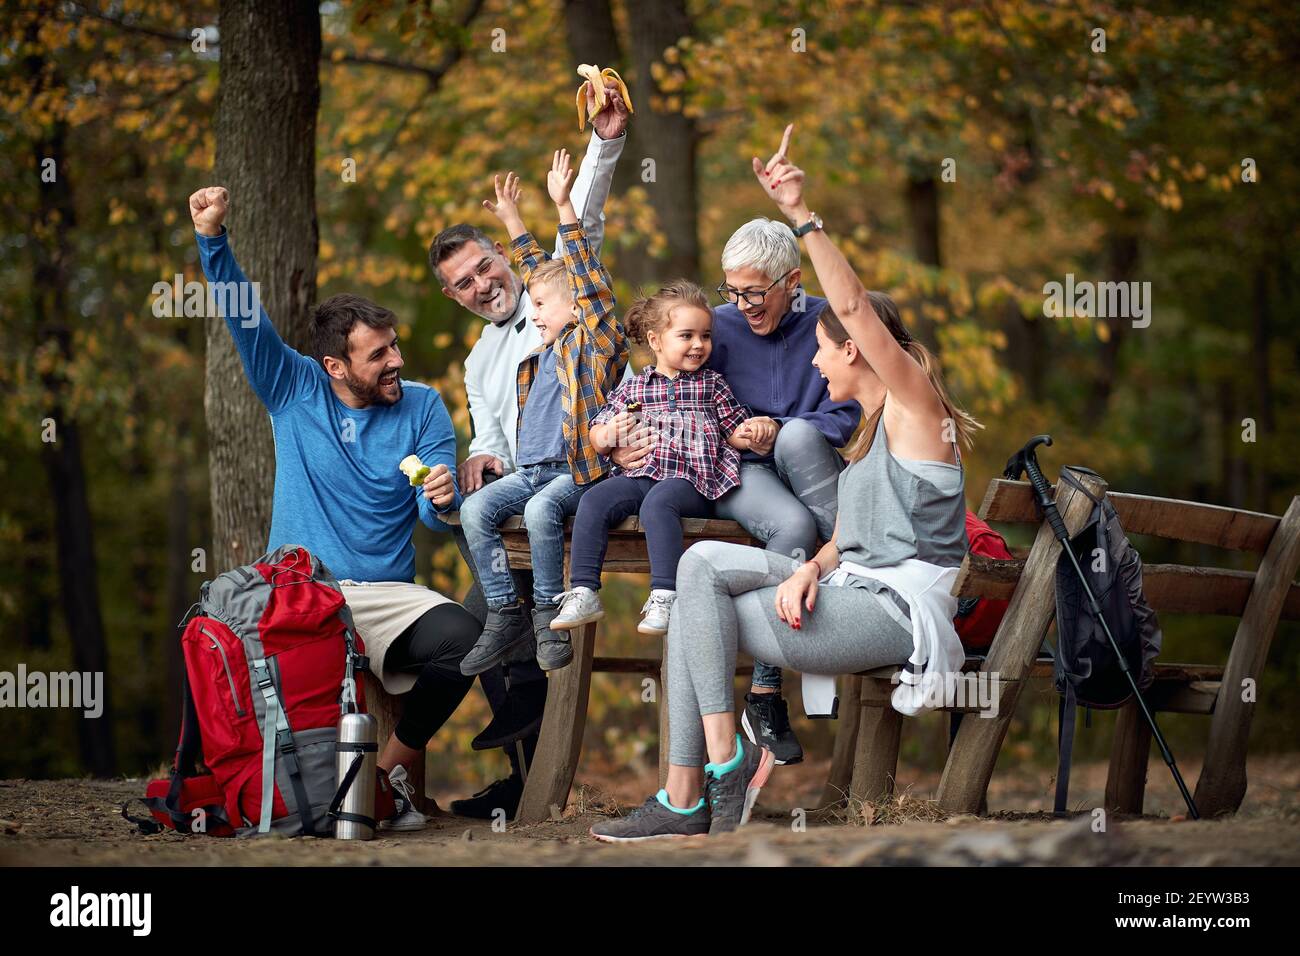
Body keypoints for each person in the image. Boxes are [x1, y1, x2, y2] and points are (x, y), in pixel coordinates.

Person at [591, 124, 981, 842]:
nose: (818, 367)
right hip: (844, 584)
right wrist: (815, 565)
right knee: (697, 570)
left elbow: (856, 308)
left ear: (859, 351)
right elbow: (856, 534)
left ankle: (694, 792)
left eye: (827, 352)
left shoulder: (917, 412)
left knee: (692, 623)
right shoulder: (866, 442)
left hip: (894, 609)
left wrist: (802, 214)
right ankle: (715, 766)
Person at [190, 185, 479, 832]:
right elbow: (245, 321)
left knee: (465, 638)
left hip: (381, 596)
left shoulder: (425, 407)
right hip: (302, 596)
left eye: (395, 346)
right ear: (335, 367)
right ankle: (281, 791)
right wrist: (213, 240)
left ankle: (388, 775)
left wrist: (444, 498)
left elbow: (435, 518)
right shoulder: (294, 389)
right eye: (379, 354)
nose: (397, 361)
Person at [428, 79, 630, 818]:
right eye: (463, 284)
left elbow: (587, 220)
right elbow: (489, 430)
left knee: (487, 610)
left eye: (484, 267)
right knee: (486, 605)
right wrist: (481, 457)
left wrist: (604, 143)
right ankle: (523, 776)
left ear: (502, 259)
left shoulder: (564, 301)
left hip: (589, 477)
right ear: (453, 297)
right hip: (528, 485)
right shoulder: (481, 361)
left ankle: (527, 769)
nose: (482, 285)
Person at [458, 149, 628, 673]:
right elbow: (541, 276)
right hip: (533, 471)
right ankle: (506, 611)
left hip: (580, 473)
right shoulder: (546, 345)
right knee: (474, 511)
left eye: (542, 308)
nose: (532, 313)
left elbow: (583, 282)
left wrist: (563, 209)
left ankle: (547, 614)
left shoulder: (593, 342)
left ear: (577, 306)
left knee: (537, 513)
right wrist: (511, 219)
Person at [706, 218, 862, 766]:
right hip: (739, 471)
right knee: (795, 528)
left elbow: (854, 409)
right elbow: (679, 395)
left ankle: (845, 602)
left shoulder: (826, 321)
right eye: (734, 290)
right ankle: (766, 691)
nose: (743, 303)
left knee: (797, 436)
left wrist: (783, 425)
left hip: (809, 464)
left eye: (755, 291)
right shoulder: (716, 326)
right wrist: (731, 431)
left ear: (791, 280)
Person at [551, 281, 758, 638]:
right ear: (656, 340)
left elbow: (732, 428)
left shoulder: (712, 384)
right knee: (595, 499)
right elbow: (599, 431)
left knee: (658, 504)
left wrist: (750, 433)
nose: (699, 344)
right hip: (642, 473)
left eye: (705, 336)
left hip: (692, 479)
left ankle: (665, 593)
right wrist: (607, 434)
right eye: (687, 335)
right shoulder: (635, 388)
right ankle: (584, 590)